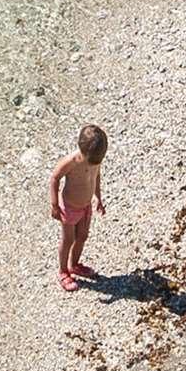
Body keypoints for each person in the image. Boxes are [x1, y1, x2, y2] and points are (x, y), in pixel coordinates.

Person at [50, 124, 106, 290]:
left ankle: (74, 264)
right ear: (83, 151)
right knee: (68, 240)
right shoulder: (72, 162)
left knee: (82, 236)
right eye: (93, 160)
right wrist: (54, 204)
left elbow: (96, 178)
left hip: (86, 206)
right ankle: (63, 271)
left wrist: (99, 198)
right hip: (69, 206)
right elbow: (54, 178)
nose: (95, 163)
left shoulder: (95, 159)